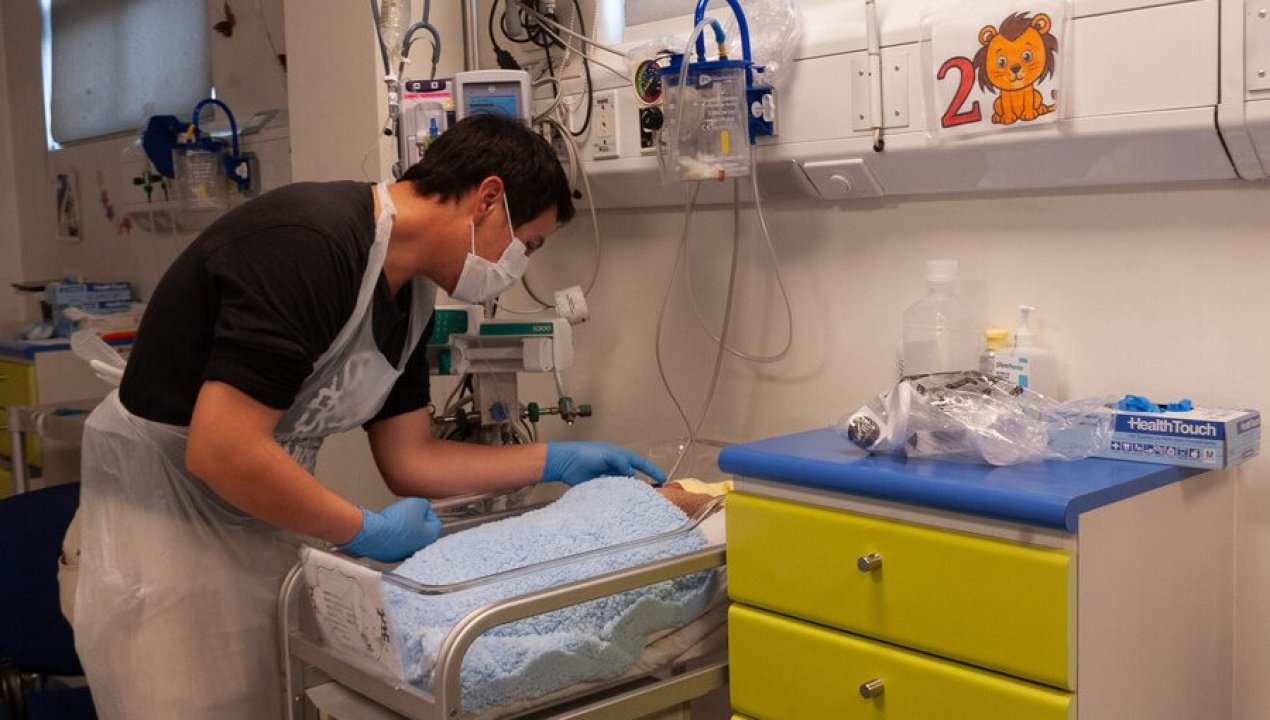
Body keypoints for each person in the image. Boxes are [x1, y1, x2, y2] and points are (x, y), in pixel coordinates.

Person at [69, 114, 666, 720]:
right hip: (161, 521)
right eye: (526, 246)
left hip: (258, 512)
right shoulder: (309, 244)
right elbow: (222, 448)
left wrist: (555, 460)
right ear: (489, 199)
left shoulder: (412, 297)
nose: (517, 266)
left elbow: (412, 459)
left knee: (271, 697)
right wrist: (363, 531)